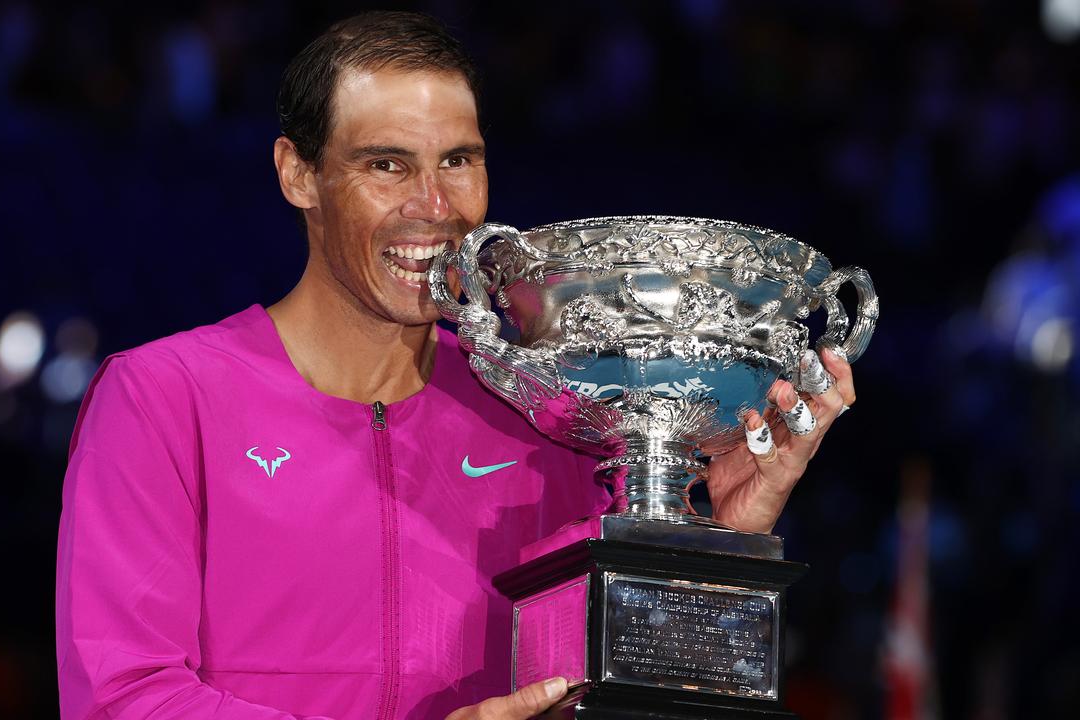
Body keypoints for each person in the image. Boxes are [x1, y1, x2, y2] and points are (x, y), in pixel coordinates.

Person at [55, 11, 857, 720]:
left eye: (459, 161)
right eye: (387, 164)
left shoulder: (545, 409)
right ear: (299, 174)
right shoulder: (163, 398)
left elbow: (647, 688)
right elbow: (124, 697)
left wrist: (715, 538)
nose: (436, 208)